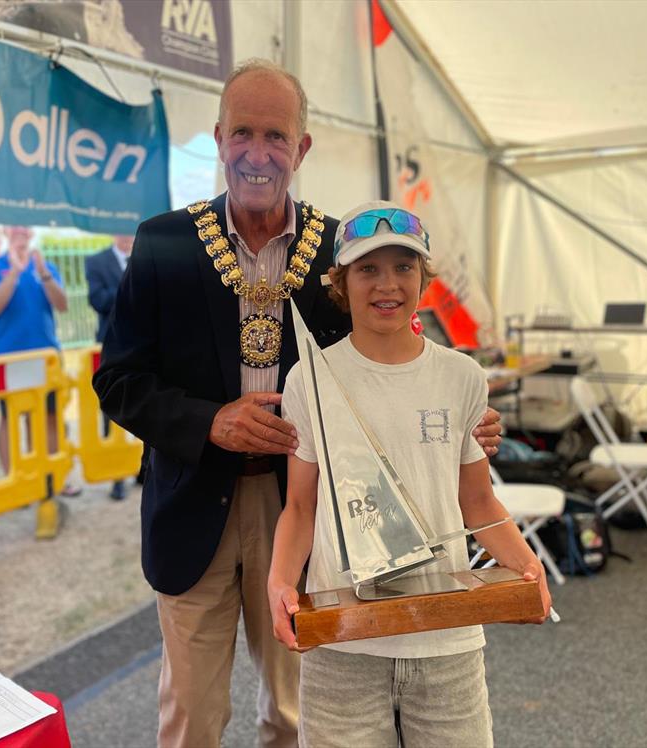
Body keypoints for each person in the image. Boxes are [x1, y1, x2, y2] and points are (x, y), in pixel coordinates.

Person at [93, 59, 502, 748]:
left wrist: (462, 414)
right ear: (219, 139)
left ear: (301, 148)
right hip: (192, 505)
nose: (258, 154)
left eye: (276, 136)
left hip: (309, 509)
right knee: (191, 715)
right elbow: (118, 380)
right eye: (243, 134)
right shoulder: (164, 242)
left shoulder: (344, 249)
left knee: (293, 710)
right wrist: (210, 421)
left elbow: (395, 356)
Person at [267, 201, 551, 748]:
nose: (387, 284)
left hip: (446, 639)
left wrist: (526, 564)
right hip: (344, 640)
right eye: (367, 269)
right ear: (340, 282)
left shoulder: (462, 376)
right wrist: (280, 583)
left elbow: (479, 503)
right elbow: (301, 506)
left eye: (404, 267)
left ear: (424, 278)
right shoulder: (310, 380)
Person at [0, 225, 80, 496]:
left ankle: (53, 479)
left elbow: (62, 305)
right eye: (14, 226)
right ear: (4, 231)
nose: (20, 230)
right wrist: (14, 271)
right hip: (10, 357)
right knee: (10, 418)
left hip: (46, 356)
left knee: (50, 416)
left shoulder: (45, 265)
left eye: (24, 225)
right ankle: (15, 484)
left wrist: (44, 273)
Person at [85, 235, 138, 500]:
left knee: (147, 402)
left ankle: (142, 467)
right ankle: (116, 475)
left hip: (144, 342)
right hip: (110, 342)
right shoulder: (96, 261)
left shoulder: (147, 256)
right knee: (113, 409)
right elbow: (98, 300)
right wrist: (133, 288)